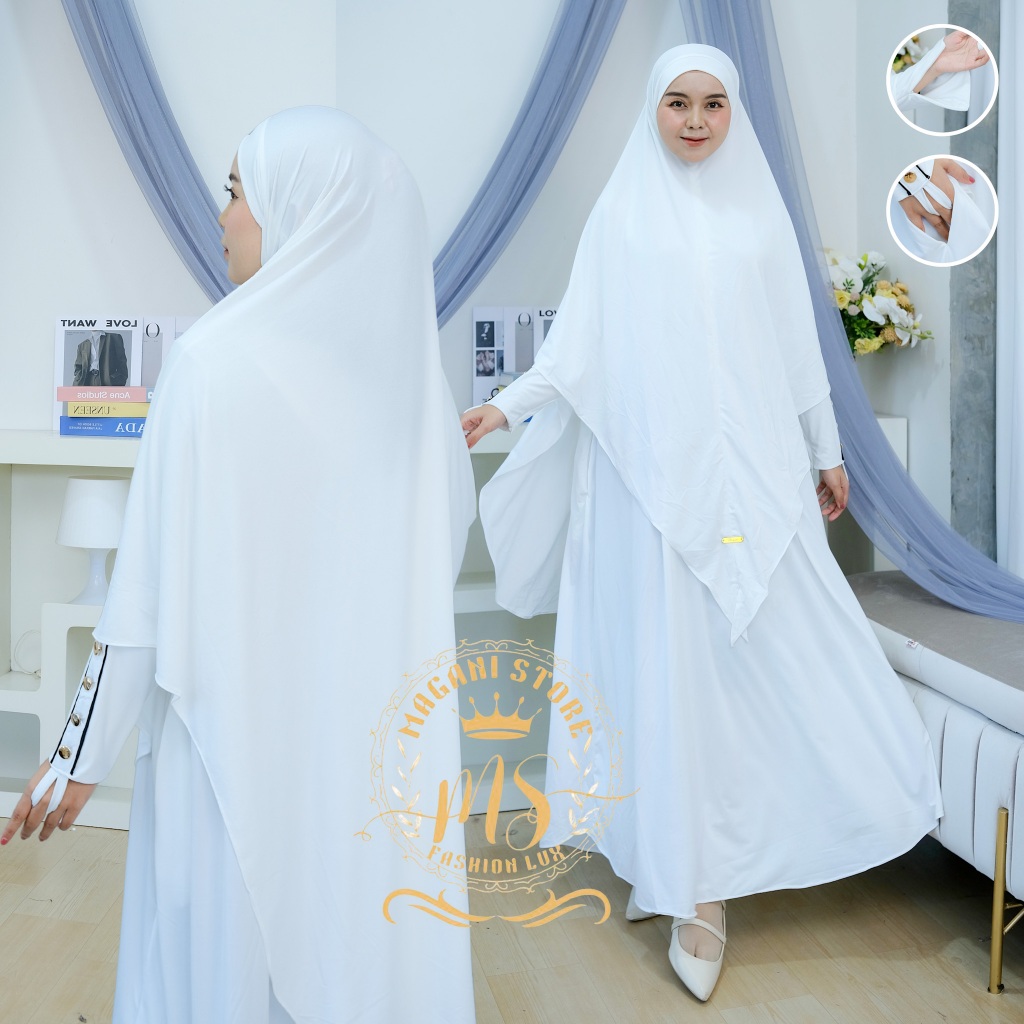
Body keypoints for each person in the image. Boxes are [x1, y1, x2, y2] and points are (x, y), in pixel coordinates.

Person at [461, 45, 942, 1003]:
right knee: (664, 669)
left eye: (712, 104)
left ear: (733, 112)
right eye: (677, 102)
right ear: (654, 109)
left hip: (754, 470)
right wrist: (505, 407)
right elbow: (576, 344)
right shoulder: (622, 217)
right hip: (650, 481)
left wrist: (827, 451)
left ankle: (726, 855)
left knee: (765, 654)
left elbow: (798, 348)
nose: (694, 120)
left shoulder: (761, 215)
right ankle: (686, 881)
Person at [2, 107, 477, 1024]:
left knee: (231, 944)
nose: (221, 215)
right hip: (361, 752)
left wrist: (76, 757)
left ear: (299, 205)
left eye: (235, 191)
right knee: (348, 938)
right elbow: (437, 554)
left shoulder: (211, 364)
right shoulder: (411, 387)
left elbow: (144, 595)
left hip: (229, 740)